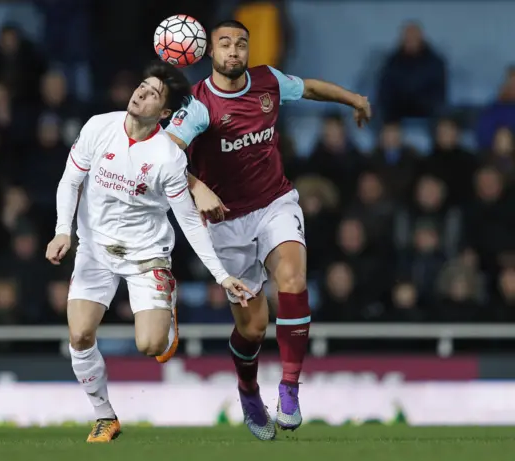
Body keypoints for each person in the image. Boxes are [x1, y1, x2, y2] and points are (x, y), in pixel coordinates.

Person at [165, 19, 372, 440]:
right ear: (210, 53)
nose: (234, 51)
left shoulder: (267, 81)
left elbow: (310, 88)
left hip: (275, 203)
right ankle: (248, 389)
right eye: (225, 44)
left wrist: (353, 98)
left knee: (293, 278)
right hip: (224, 223)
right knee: (253, 328)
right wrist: (196, 184)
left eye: (241, 43)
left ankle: (290, 387)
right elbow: (163, 158)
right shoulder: (198, 105)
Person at [45, 60, 253, 443]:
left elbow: (189, 221)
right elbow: (69, 181)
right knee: (79, 335)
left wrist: (222, 276)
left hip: (146, 257)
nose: (141, 93)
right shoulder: (98, 126)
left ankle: (167, 313)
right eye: (142, 85)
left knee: (151, 346)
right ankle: (105, 416)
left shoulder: (168, 158)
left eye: (153, 93)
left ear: (166, 112)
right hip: (94, 250)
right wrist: (63, 231)